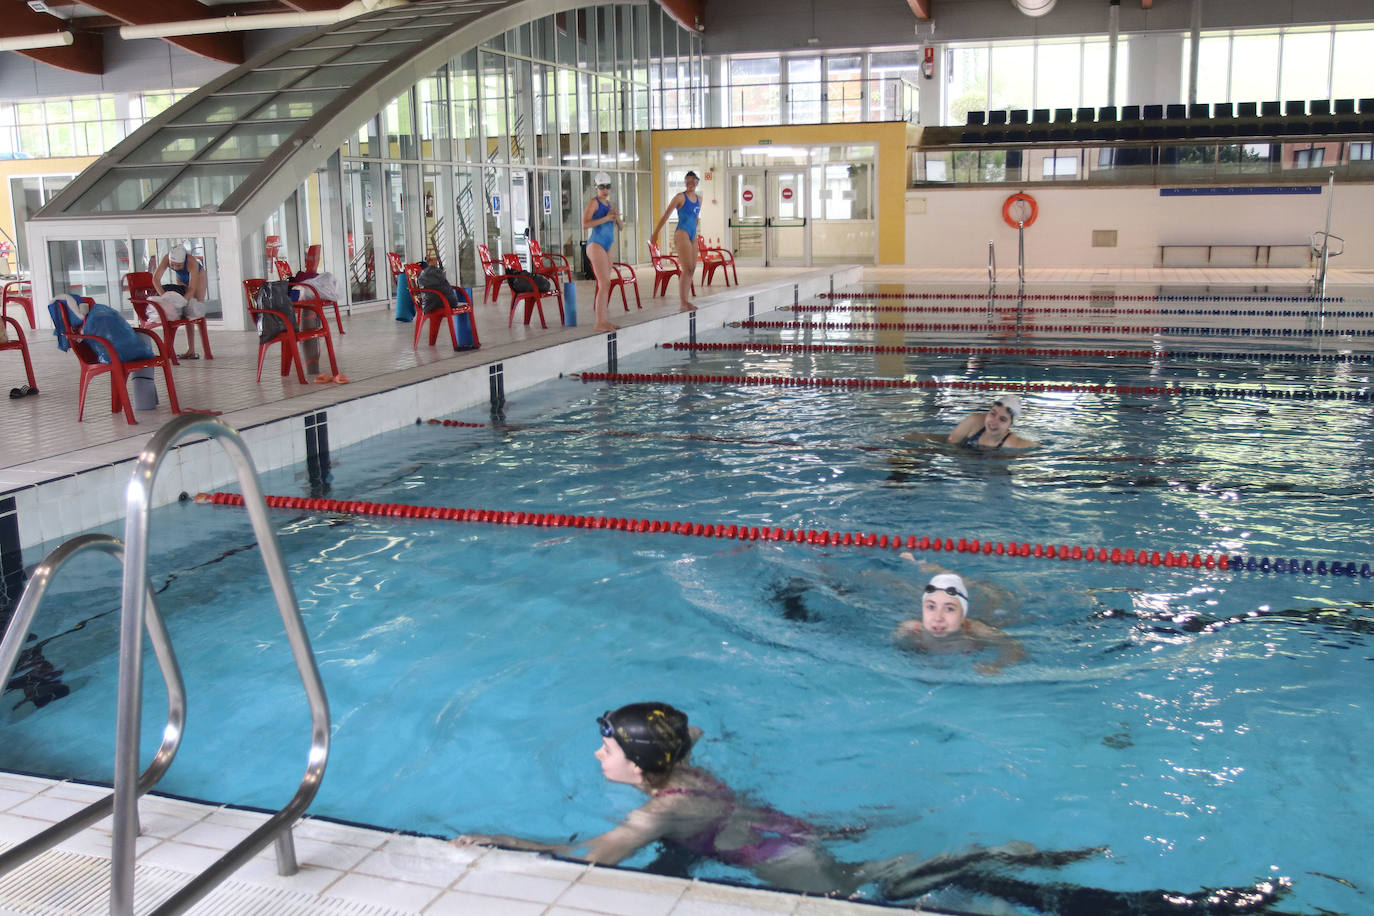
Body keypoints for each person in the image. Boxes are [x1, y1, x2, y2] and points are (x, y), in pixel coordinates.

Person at [452, 702, 1100, 900]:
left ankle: (985, 857)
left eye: (611, 746)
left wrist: (507, 843)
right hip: (776, 822)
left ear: (647, 763)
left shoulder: (659, 809)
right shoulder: (683, 762)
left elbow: (591, 856)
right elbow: (692, 727)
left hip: (781, 854)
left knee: (873, 884)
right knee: (862, 862)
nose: (599, 754)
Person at [894, 573, 1026, 674]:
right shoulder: (910, 629)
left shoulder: (978, 630)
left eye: (949, 609)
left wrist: (996, 666)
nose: (938, 618)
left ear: (963, 615)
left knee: (995, 600)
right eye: (931, 607)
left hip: (988, 618)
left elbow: (1014, 649)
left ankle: (985, 590)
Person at [649, 171, 701, 313]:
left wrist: (695, 230)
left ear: (697, 183)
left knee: (692, 269)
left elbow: (695, 217)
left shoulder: (699, 199)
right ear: (685, 182)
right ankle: (683, 302)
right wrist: (655, 233)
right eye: (687, 181)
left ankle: (686, 300)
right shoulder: (679, 197)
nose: (690, 183)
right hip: (682, 233)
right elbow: (666, 215)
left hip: (692, 235)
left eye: (693, 181)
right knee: (687, 268)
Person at [149, 244, 207, 360]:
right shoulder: (166, 258)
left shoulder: (191, 262)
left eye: (178, 265)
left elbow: (191, 288)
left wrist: (182, 302)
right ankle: (190, 350)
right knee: (186, 313)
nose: (175, 267)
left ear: (184, 260)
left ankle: (206, 349)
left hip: (198, 277)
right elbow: (156, 279)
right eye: (173, 265)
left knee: (195, 310)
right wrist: (164, 296)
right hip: (181, 278)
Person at [582, 171, 622, 333]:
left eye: (608, 187)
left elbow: (621, 227)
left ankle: (604, 320)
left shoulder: (610, 205)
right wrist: (606, 218)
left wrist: (616, 217)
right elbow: (585, 224)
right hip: (596, 244)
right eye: (602, 187)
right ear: (596, 187)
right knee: (604, 283)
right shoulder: (594, 202)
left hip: (608, 245)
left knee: (607, 284)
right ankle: (599, 322)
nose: (605, 190)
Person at [945, 393, 1038, 451]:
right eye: (993, 413)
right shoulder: (974, 421)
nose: (994, 421)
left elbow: (1040, 449)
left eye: (1002, 419)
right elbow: (950, 445)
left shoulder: (1012, 444)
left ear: (1010, 425)